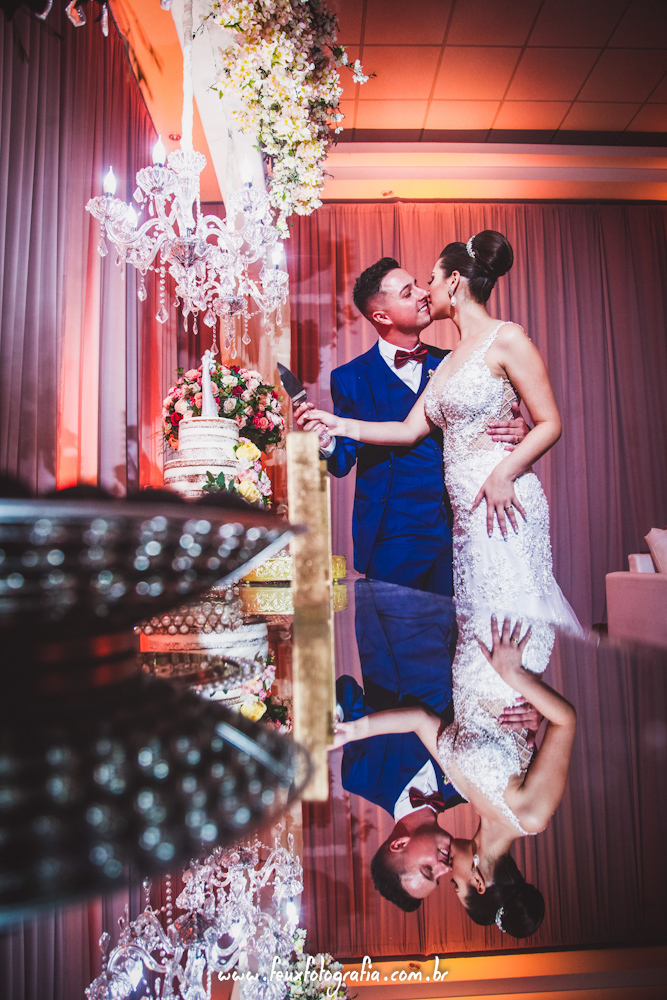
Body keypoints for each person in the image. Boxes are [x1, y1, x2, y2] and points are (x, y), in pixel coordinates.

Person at [305, 231, 581, 637]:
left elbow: (547, 421)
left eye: (426, 281)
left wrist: (514, 449)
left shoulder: (501, 339)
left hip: (494, 502)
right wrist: (335, 425)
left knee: (510, 624)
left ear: (453, 282)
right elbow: (406, 431)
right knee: (468, 636)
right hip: (439, 524)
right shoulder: (446, 362)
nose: (423, 292)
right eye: (411, 289)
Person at [294, 256, 528, 596]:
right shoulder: (349, 377)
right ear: (382, 316)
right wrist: (324, 441)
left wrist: (519, 429)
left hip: (458, 523)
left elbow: (490, 419)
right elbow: (342, 461)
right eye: (408, 292)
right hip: (390, 537)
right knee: (393, 627)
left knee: (458, 626)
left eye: (419, 284)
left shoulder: (453, 361)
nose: (424, 294)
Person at [333, 615, 577, 938]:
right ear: (478, 882)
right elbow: (564, 721)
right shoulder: (529, 818)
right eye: (453, 883)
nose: (445, 868)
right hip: (510, 637)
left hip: (470, 628)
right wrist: (519, 683)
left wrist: (349, 731)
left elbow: (421, 720)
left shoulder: (468, 794)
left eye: (431, 871)